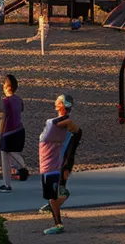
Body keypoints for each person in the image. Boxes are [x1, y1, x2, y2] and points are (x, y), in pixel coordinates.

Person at [37, 94, 82, 235]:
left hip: (53, 165)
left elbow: (74, 129)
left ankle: (58, 224)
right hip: (48, 164)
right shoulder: (56, 122)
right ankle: (54, 207)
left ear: (62, 104)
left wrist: (67, 165)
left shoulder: (60, 123)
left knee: (53, 197)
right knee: (51, 196)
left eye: (58, 100)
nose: (55, 102)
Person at [0, 74, 30, 193]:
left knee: (5, 156)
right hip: (19, 129)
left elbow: (3, 116)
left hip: (8, 132)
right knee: (14, 153)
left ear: (6, 87)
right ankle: (21, 168)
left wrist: (0, 132)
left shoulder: (6, 101)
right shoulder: (19, 100)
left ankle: (7, 183)